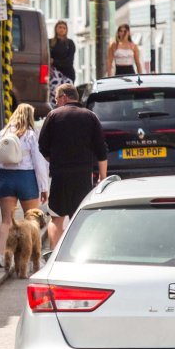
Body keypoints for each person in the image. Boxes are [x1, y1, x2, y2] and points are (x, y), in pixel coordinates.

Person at [39, 83, 108, 250]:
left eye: (56, 99)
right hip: (83, 177)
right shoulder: (90, 116)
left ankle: (54, 257)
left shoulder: (53, 116)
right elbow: (101, 150)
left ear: (64, 97)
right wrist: (102, 177)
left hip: (60, 177)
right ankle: (78, 254)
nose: (56, 103)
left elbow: (42, 146)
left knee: (56, 219)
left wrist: (54, 159)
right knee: (81, 219)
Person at [0, 104, 49, 266]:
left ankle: (0, 255)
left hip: (6, 179)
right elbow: (39, 163)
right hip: (26, 179)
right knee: (31, 221)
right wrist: (44, 187)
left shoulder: (1, 134)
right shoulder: (30, 135)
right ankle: (32, 259)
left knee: (6, 221)